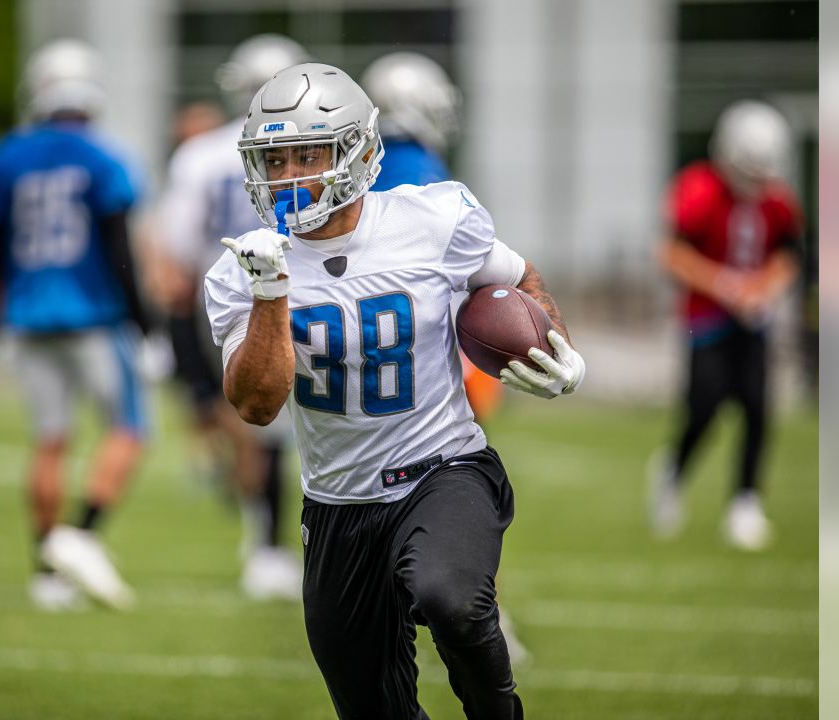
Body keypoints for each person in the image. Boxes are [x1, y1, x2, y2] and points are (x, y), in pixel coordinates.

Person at [206, 63, 585, 720]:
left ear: (354, 151)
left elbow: (521, 278)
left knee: (449, 596)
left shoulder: (433, 219)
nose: (290, 175)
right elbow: (256, 403)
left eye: (307, 154)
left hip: (445, 470)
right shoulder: (244, 268)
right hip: (337, 504)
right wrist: (271, 291)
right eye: (276, 159)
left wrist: (558, 344)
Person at [0, 39, 150, 611]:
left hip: (27, 313)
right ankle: (82, 536)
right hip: (92, 312)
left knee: (50, 440)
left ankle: (45, 572)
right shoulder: (102, 156)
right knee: (128, 429)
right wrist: (146, 322)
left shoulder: (7, 155)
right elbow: (119, 242)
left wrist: (0, 307)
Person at [363, 50, 529, 666]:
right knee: (459, 478)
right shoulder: (428, 175)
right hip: (426, 355)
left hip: (359, 365)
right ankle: (478, 606)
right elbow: (475, 270)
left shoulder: (358, 173)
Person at [158, 33, 308, 601]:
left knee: (255, 424)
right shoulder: (311, 149)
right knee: (294, 425)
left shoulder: (200, 154)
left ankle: (262, 538)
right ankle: (270, 541)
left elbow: (178, 244)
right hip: (300, 291)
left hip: (221, 291)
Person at [651, 100, 802, 551]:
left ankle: (745, 502)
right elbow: (671, 253)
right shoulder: (697, 189)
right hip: (706, 319)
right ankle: (672, 472)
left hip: (753, 320)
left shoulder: (778, 200)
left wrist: (765, 288)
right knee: (704, 408)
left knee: (757, 408)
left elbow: (789, 255)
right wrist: (724, 285)